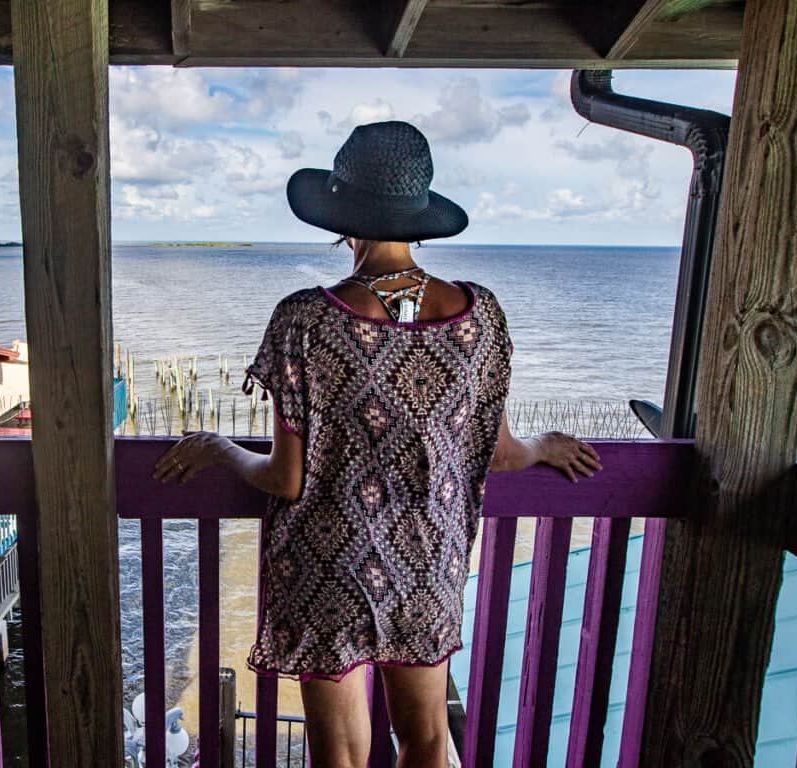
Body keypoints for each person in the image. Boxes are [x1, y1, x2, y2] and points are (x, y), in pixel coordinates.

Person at [153, 121, 602, 768]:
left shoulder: (305, 320)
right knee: (424, 740)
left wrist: (221, 448)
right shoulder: (483, 318)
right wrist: (541, 448)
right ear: (419, 216)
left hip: (327, 569)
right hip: (426, 565)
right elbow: (498, 453)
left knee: (341, 755)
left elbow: (285, 479)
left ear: (343, 220)